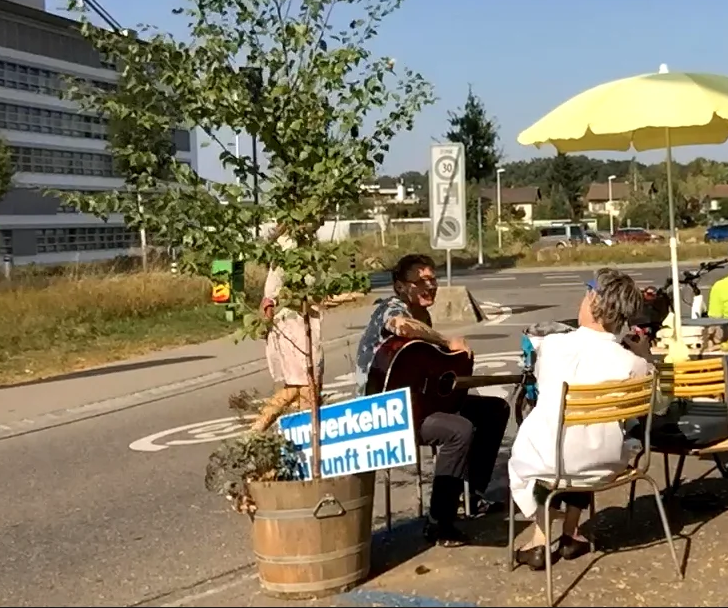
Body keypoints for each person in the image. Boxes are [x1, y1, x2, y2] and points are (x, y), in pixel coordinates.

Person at [356, 253, 510, 547]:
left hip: (419, 403)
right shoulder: (391, 306)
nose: (429, 287)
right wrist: (445, 341)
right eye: (420, 281)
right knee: (459, 429)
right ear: (401, 286)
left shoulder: (423, 313)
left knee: (495, 409)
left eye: (433, 279)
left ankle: (471, 496)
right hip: (387, 411)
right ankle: (440, 522)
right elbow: (401, 326)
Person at [507, 268, 650, 570]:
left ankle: (540, 541)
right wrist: (645, 355)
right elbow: (654, 405)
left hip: (548, 462)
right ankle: (569, 534)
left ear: (594, 302)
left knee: (559, 442)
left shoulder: (553, 345)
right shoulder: (633, 363)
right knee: (588, 438)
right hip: (604, 463)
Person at [251, 230, 324, 433]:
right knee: (306, 384)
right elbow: (288, 296)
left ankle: (299, 436)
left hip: (297, 323)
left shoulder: (299, 247)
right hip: (294, 325)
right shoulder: (292, 250)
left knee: (303, 387)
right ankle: (257, 429)